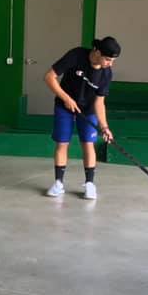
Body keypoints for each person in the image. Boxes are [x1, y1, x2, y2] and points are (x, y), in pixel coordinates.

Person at [43, 36, 120, 200]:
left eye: (113, 61)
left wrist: (105, 127)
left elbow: (99, 102)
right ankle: (58, 183)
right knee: (62, 143)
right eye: (108, 59)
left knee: (88, 144)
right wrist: (66, 98)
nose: (110, 64)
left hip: (88, 111)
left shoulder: (106, 73)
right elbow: (49, 77)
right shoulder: (76, 55)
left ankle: (89, 184)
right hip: (64, 106)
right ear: (97, 52)